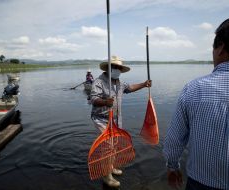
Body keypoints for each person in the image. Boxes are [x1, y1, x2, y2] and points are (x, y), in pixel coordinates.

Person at [163, 18, 229, 190]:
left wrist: (172, 166)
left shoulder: (194, 89)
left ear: (220, 48)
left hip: (201, 183)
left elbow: (174, 140)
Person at [90, 55, 152, 187]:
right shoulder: (98, 82)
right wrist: (105, 102)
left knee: (114, 145)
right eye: (115, 67)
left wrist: (144, 84)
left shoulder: (118, 81)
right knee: (107, 147)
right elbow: (93, 100)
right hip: (102, 119)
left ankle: (110, 167)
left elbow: (129, 88)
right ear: (108, 68)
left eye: (119, 67)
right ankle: (106, 176)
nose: (117, 69)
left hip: (116, 119)